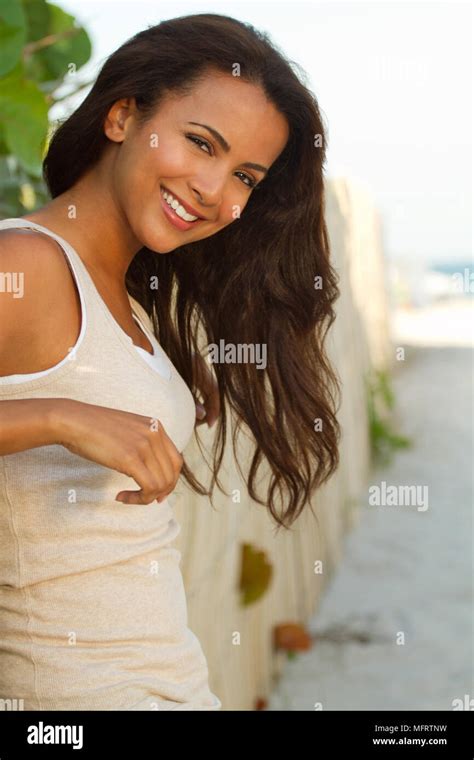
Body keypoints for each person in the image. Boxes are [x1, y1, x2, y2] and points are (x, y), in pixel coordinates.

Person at [0, 13, 341, 711]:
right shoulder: (25, 262)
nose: (217, 191)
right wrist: (61, 416)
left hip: (170, 687)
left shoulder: (129, 300)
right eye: (200, 143)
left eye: (244, 174)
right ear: (123, 115)